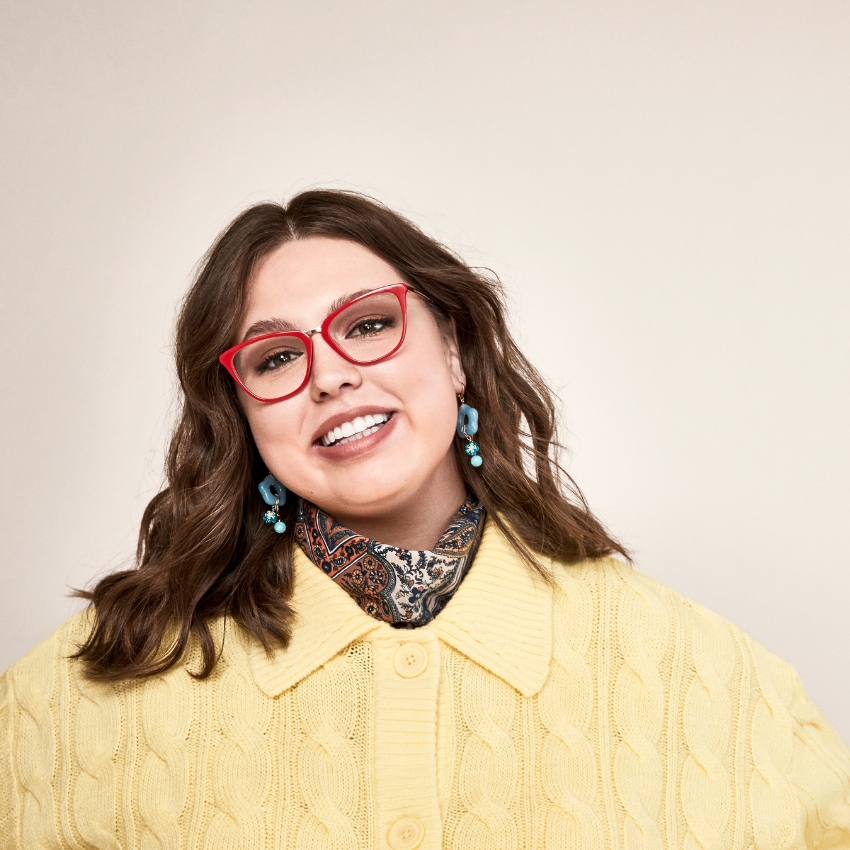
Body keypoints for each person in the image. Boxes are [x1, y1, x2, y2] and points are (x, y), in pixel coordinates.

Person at [1, 189, 848, 850]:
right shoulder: (71, 704)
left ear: (452, 346)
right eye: (277, 357)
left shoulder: (713, 684)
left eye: (369, 324)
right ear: (242, 413)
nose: (329, 375)